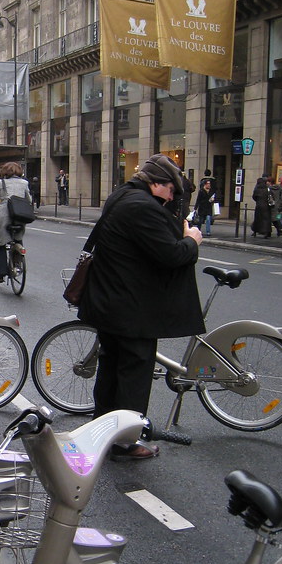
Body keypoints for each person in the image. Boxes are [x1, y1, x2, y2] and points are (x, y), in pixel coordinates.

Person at [78, 154, 203, 460]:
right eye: (171, 190)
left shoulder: (122, 196)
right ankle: (125, 441)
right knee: (134, 372)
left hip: (109, 300)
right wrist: (192, 240)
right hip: (130, 307)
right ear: (157, 184)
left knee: (110, 369)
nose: (172, 197)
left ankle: (104, 430)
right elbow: (171, 254)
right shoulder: (142, 207)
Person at [0, 161, 32, 284]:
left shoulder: (0, 183)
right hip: (20, 216)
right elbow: (29, 200)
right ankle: (17, 263)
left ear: (5, 171)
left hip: (5, 215)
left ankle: (1, 274)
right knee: (18, 239)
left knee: (0, 243)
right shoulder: (24, 183)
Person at [250, 174, 273, 239]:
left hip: (258, 205)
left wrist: (258, 201)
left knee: (257, 219)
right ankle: (266, 232)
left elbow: (254, 197)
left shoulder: (257, 189)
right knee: (266, 219)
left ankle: (255, 231)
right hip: (266, 206)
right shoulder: (267, 189)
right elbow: (270, 196)